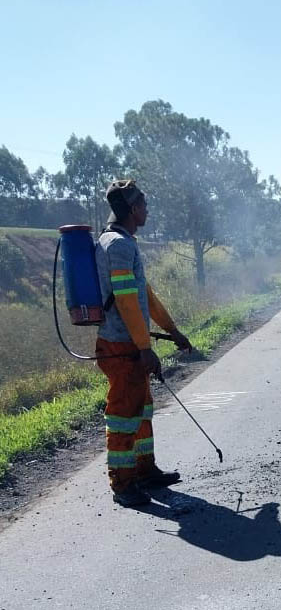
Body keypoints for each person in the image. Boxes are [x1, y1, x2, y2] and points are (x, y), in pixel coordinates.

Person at [94, 179, 192, 508]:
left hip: (131, 347)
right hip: (122, 349)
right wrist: (144, 348)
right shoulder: (118, 246)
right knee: (124, 415)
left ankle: (144, 470)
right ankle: (122, 485)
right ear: (134, 209)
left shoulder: (124, 243)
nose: (147, 211)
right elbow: (125, 300)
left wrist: (173, 331)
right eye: (145, 206)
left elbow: (144, 295)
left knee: (142, 410)